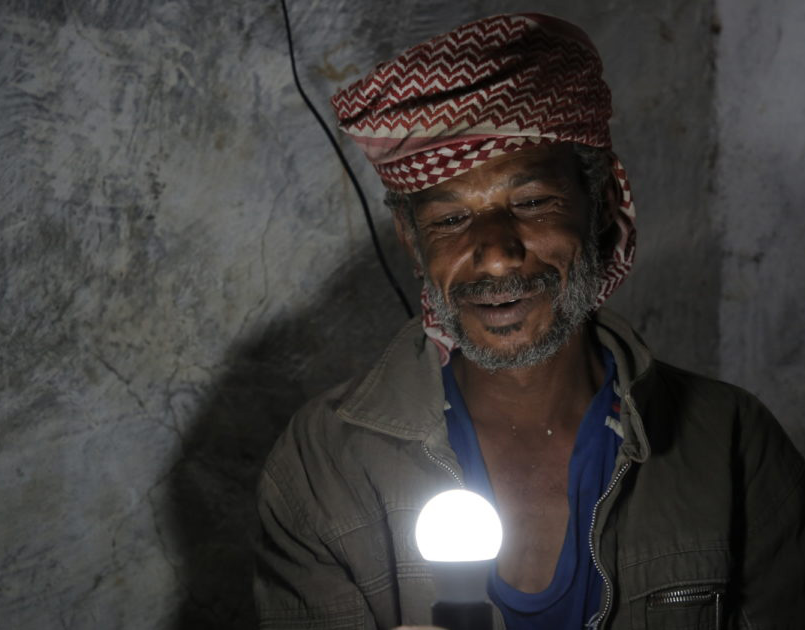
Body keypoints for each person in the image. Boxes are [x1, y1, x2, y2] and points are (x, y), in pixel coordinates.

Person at [253, 13, 805, 630]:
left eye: (532, 203)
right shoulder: (324, 464)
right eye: (450, 220)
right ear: (412, 242)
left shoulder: (728, 441)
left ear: (599, 208)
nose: (494, 253)